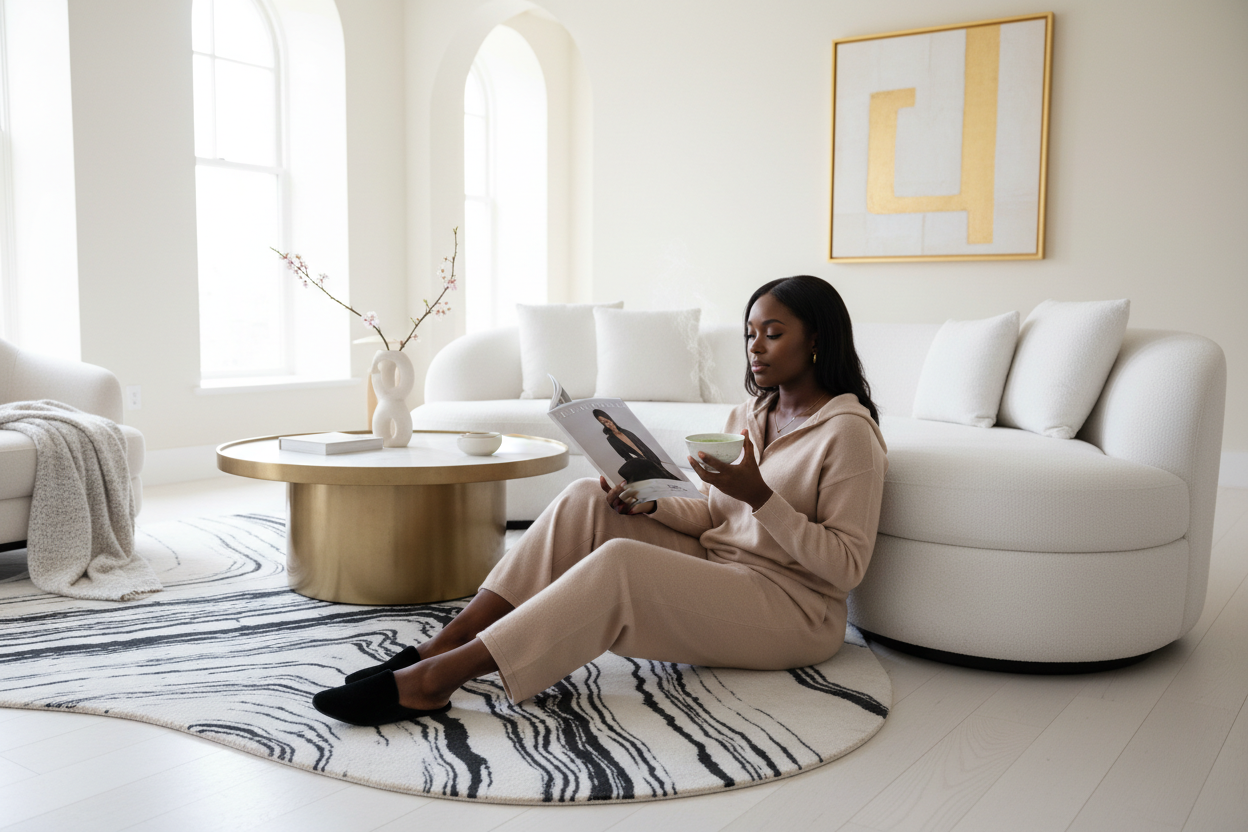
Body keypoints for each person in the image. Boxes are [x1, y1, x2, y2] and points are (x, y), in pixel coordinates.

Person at [312, 275, 889, 726]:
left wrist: (760, 497)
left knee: (620, 567)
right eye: (749, 333)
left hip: (794, 611)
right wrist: (649, 501)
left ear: (816, 339)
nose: (755, 348)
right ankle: (444, 641)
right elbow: (716, 516)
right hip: (724, 570)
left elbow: (846, 568)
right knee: (586, 497)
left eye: (773, 332)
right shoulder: (749, 416)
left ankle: (434, 681)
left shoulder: (848, 434)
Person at [594, 409, 681, 482]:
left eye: (606, 421)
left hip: (652, 457)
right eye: (603, 423)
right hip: (643, 464)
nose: (606, 424)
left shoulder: (626, 432)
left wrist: (655, 458)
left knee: (670, 477)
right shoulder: (611, 439)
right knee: (660, 479)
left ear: (609, 418)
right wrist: (640, 465)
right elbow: (625, 456)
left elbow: (643, 446)